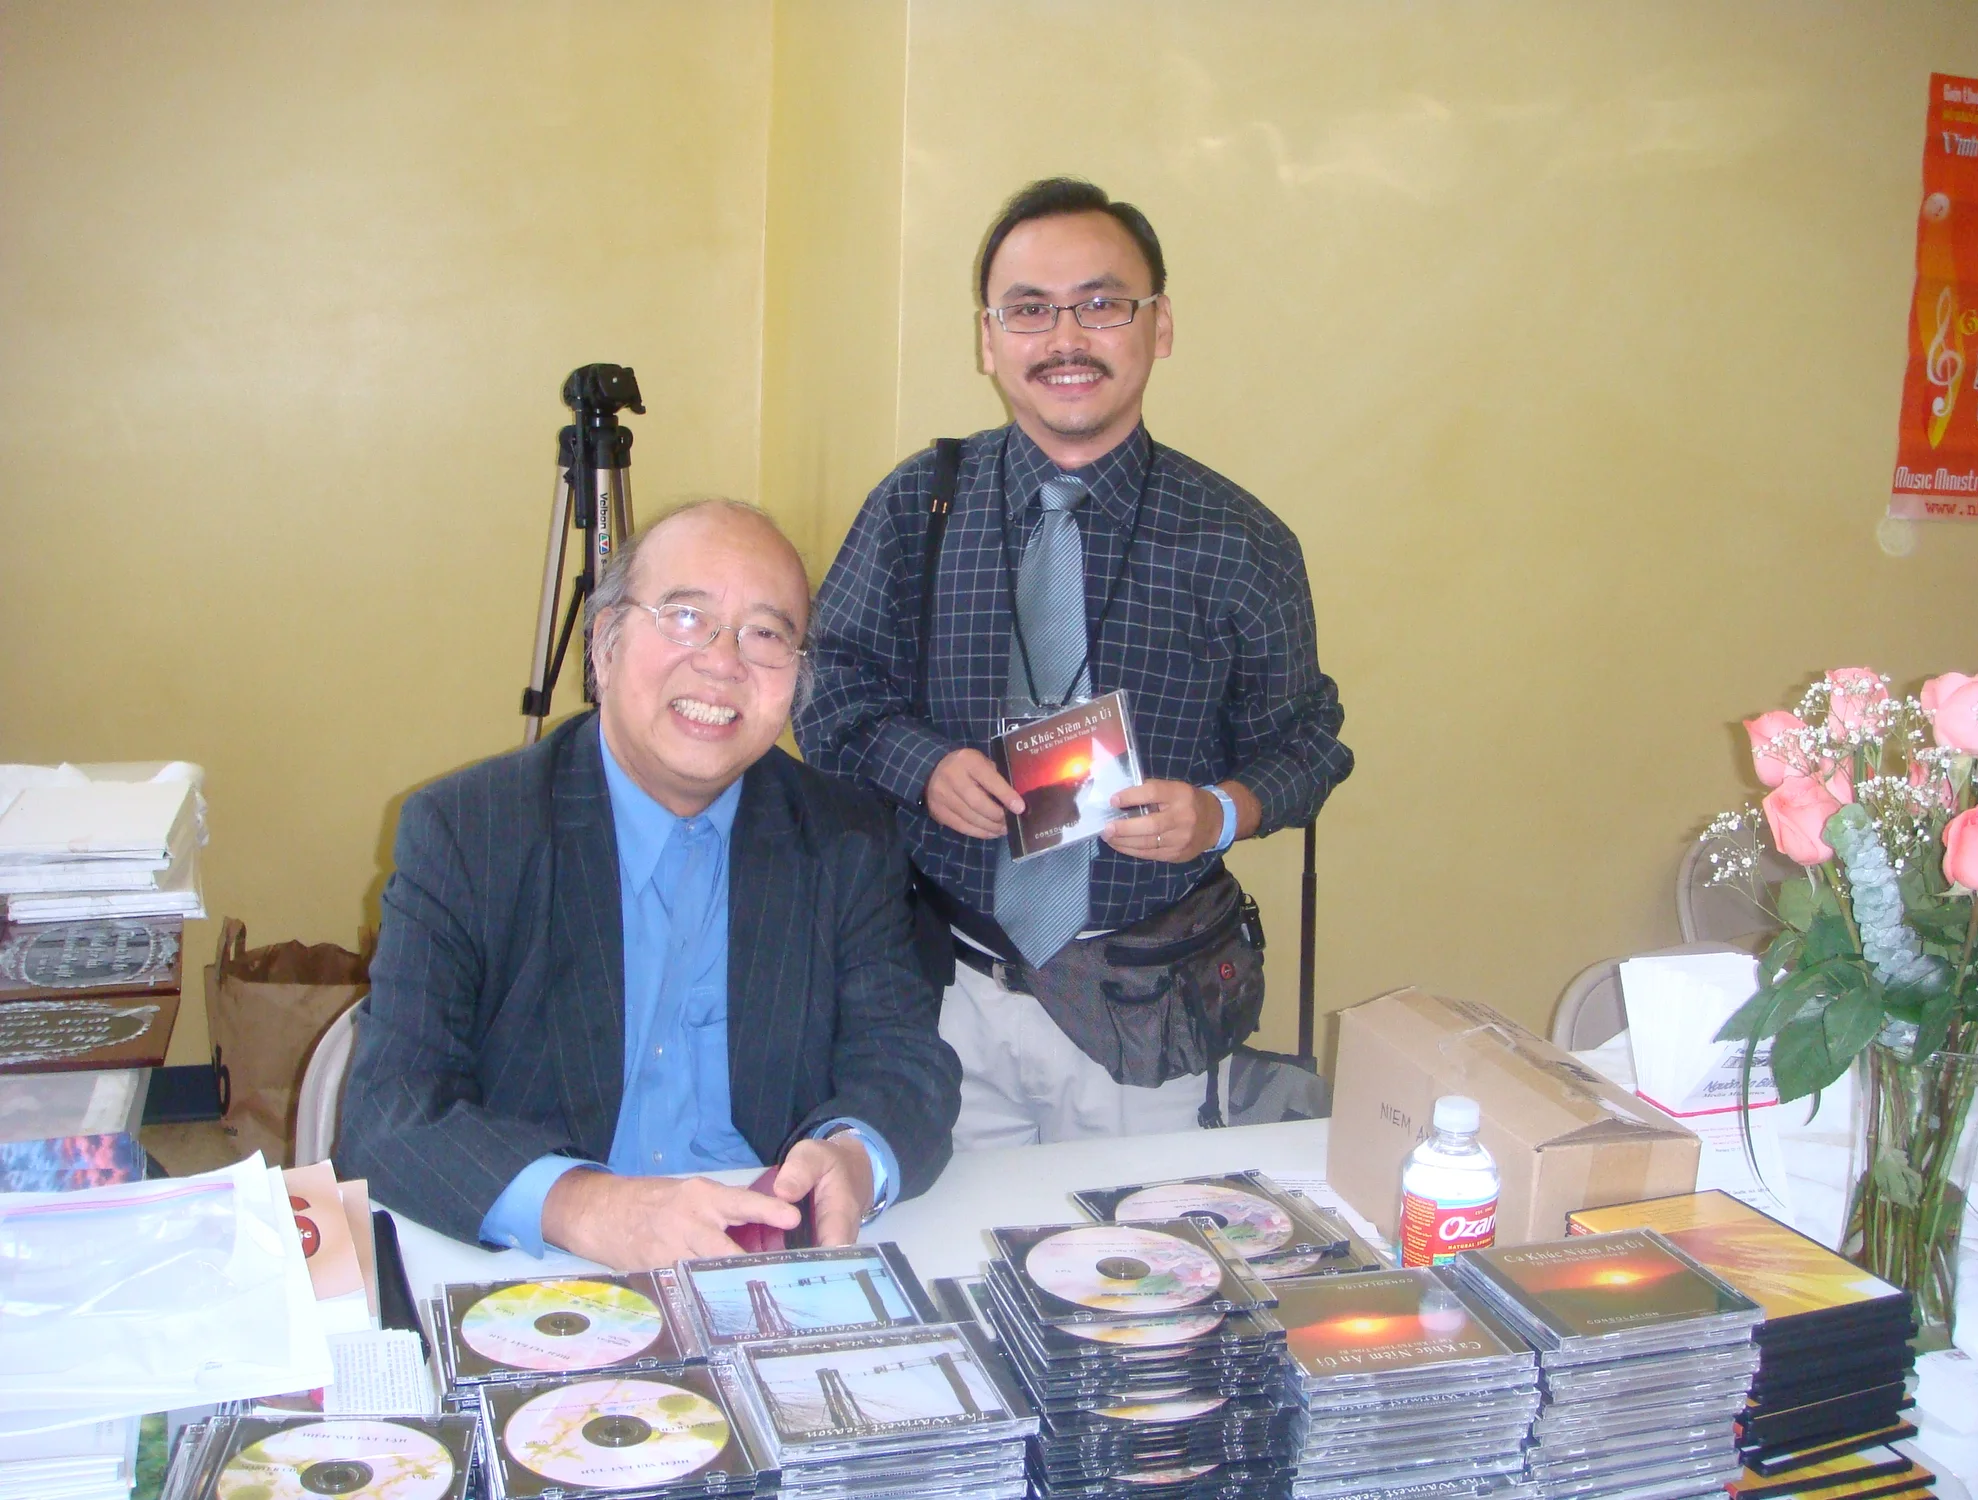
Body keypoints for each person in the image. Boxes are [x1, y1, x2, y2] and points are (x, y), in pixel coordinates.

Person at [798, 177, 1353, 1147]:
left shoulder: (1237, 541)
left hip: (1141, 1012)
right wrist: (918, 765)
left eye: (1100, 305)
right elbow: (826, 690)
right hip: (942, 996)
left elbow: (1306, 746)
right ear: (986, 339)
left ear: (1158, 325)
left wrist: (1217, 811)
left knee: (1138, 1272)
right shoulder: (914, 507)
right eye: (1028, 310)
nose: (1064, 338)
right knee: (953, 1265)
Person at [336, 500, 961, 1270]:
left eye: (766, 635)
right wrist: (586, 1206)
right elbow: (389, 1112)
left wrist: (855, 1157)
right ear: (604, 645)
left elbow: (906, 1062)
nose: (723, 662)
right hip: (550, 1259)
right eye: (686, 618)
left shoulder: (844, 837)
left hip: (767, 1253)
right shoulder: (468, 832)